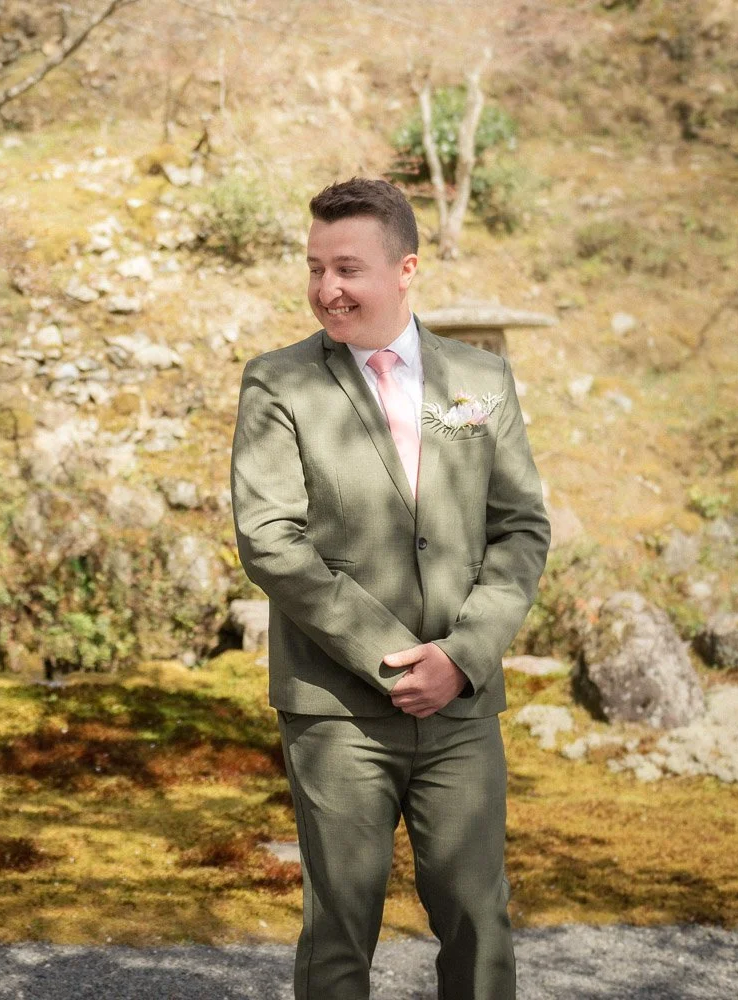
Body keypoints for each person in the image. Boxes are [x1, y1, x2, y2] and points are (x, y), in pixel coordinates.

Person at [231, 177, 550, 1000]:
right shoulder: (278, 383)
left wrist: (462, 656)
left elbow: (521, 529)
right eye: (314, 269)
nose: (326, 290)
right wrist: (393, 657)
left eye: (348, 269)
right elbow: (270, 539)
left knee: (480, 924)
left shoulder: (480, 378)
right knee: (339, 931)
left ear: (405, 268)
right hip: (337, 711)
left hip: (462, 708)